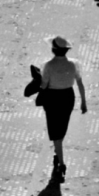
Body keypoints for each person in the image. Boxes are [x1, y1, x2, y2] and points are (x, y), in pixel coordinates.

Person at [39, 36, 88, 183]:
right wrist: (83, 102)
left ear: (54, 50)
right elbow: (79, 83)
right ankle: (57, 153)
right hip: (68, 98)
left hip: (53, 99)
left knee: (55, 132)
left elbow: (43, 85)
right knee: (61, 128)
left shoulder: (48, 66)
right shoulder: (73, 65)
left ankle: (61, 163)